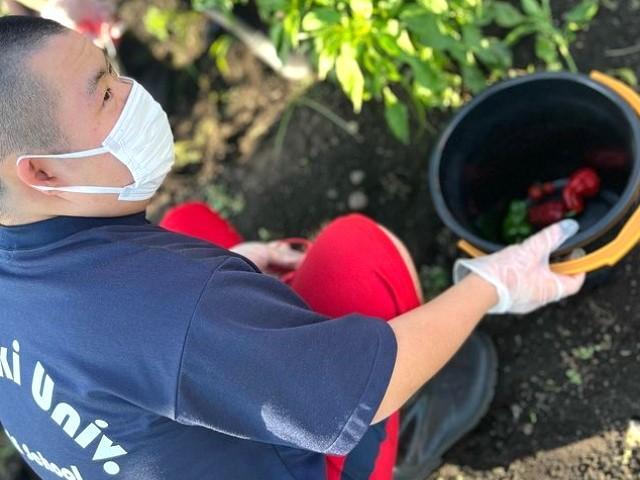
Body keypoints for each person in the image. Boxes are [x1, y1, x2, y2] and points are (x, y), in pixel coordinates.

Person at [0, 16, 585, 480]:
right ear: (42, 173)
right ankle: (400, 439)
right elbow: (358, 390)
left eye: (113, 70)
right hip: (291, 448)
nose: (132, 93)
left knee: (190, 223)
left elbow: (137, 341)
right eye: (105, 94)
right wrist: (491, 284)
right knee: (362, 253)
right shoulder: (168, 312)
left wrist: (223, 277)